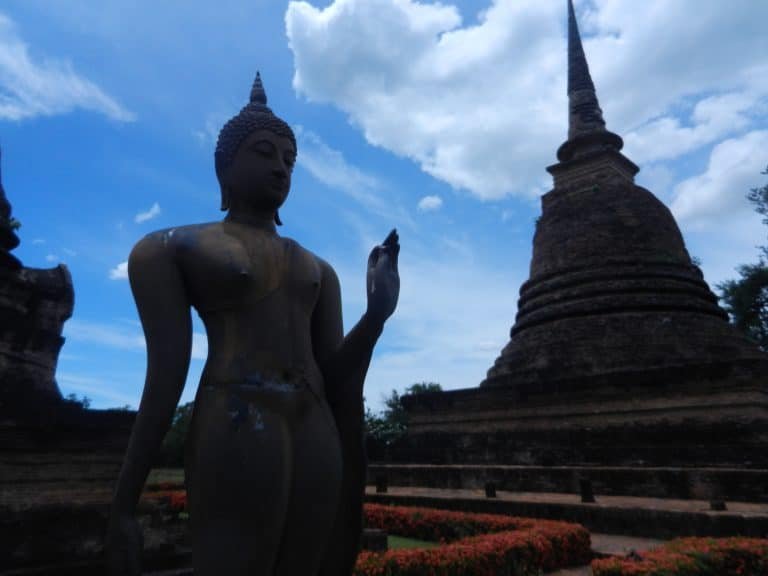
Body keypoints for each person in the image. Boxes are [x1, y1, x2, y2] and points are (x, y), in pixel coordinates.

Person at [106, 72, 400, 576]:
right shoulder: (170, 248)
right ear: (224, 165)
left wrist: (376, 315)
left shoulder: (318, 269)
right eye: (265, 153)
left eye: (289, 160)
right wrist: (124, 499)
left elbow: (334, 377)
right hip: (236, 416)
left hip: (314, 425)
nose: (280, 167)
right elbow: (166, 372)